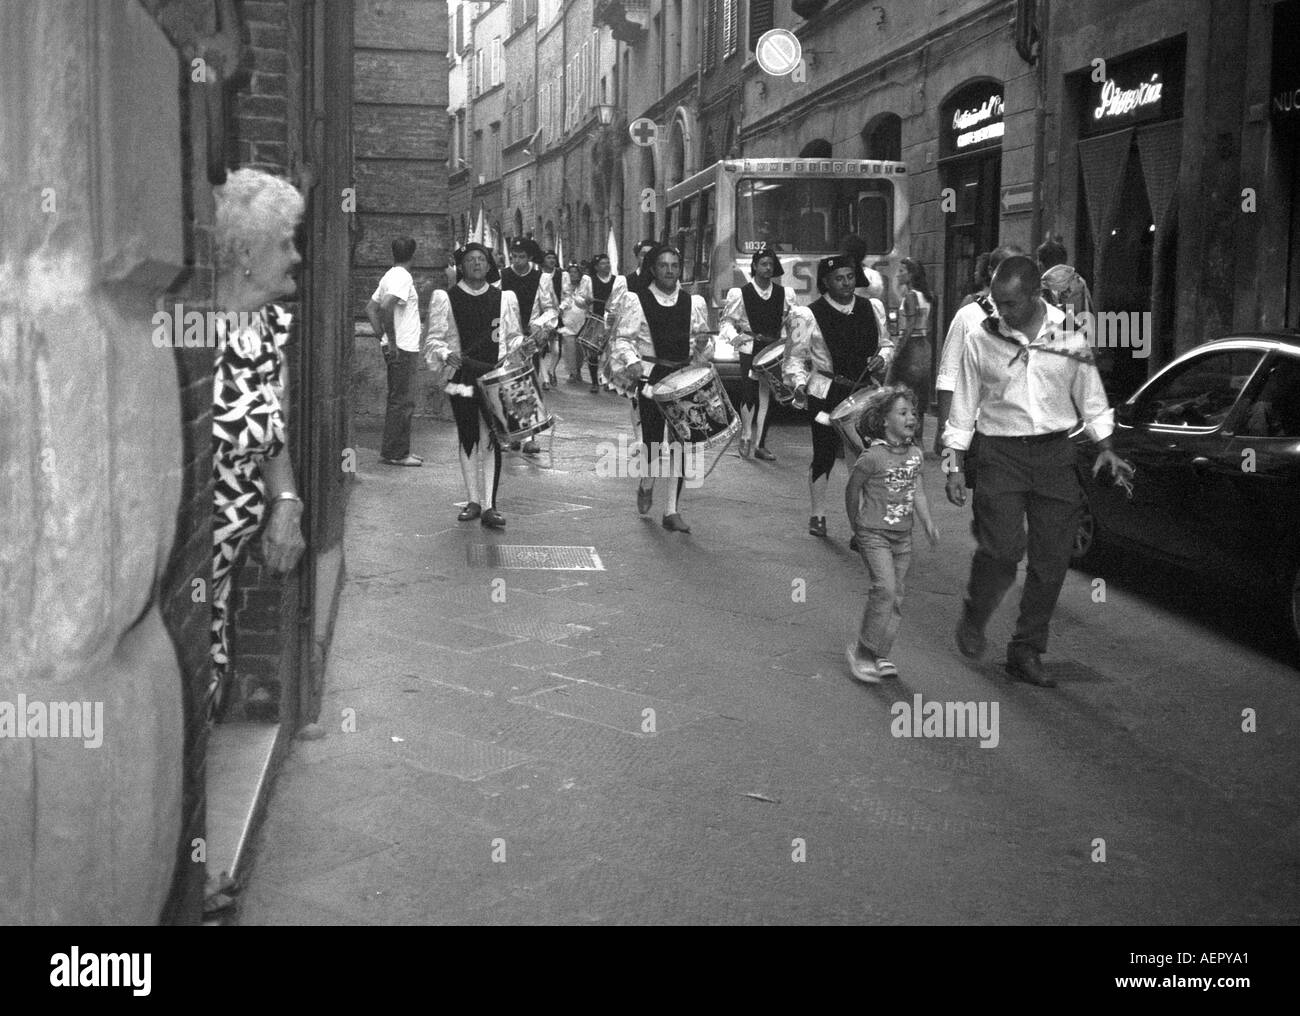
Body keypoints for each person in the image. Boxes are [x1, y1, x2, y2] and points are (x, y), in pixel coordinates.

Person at [941, 256, 1134, 687]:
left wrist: (1106, 447)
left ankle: (1026, 648)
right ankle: (975, 613)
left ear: (1033, 296)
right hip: (999, 454)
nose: (1000, 312)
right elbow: (964, 402)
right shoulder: (980, 336)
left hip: (1055, 455)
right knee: (1002, 550)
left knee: (1052, 558)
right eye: (996, 302)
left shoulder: (1068, 334)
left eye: (1009, 304)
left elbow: (1090, 396)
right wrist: (953, 461)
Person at [210, 168, 307, 720]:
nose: (296, 256)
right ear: (246, 252)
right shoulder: (189, 330)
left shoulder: (269, 327)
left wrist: (286, 501)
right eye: (285, 242)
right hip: (190, 573)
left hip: (225, 571)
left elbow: (274, 435)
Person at [783, 254, 895, 539]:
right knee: (824, 451)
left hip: (865, 393)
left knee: (865, 456)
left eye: (849, 277)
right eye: (838, 278)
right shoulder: (805, 315)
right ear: (825, 282)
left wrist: (882, 358)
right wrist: (798, 385)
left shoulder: (873, 308)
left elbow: (886, 344)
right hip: (824, 390)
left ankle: (862, 525)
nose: (846, 283)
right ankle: (818, 514)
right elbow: (794, 360)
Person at [608, 243, 713, 533]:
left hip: (683, 377)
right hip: (652, 378)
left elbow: (703, 342)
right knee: (652, 442)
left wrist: (705, 346)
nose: (670, 271)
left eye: (675, 266)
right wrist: (631, 361)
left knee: (681, 442)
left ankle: (671, 510)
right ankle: (647, 481)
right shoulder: (636, 300)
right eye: (664, 265)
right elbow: (623, 340)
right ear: (653, 269)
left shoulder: (694, 303)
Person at [424, 242, 526, 529]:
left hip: (495, 376)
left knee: (492, 435)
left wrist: (526, 345)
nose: (477, 263)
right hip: (462, 378)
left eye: (481, 259)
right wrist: (446, 354)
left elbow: (514, 336)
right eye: (470, 260)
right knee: (468, 433)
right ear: (462, 265)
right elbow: (434, 340)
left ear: (489, 264)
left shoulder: (504, 298)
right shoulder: (447, 298)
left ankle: (491, 506)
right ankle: (472, 500)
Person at [844, 385, 938, 683]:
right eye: (903, 412)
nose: (911, 417)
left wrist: (927, 522)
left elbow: (917, 491)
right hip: (873, 533)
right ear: (884, 420)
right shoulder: (872, 457)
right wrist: (855, 524)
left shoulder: (915, 455)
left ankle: (880, 653)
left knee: (896, 595)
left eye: (913, 412)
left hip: (902, 537)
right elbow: (852, 490)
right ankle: (862, 652)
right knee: (884, 589)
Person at [934, 244, 1024, 458]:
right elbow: (949, 375)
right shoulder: (969, 316)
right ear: (993, 272)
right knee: (985, 488)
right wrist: (943, 431)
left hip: (1022, 429)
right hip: (981, 427)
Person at [718, 246, 797, 460]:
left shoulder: (784, 294)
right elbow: (727, 322)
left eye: (771, 264)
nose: (768, 268)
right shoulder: (740, 293)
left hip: (773, 351)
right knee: (749, 392)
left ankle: (760, 444)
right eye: (763, 264)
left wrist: (790, 343)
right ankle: (746, 436)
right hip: (750, 347)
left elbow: (791, 323)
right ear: (754, 266)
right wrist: (735, 338)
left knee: (769, 395)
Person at [366, 236, 424, 467]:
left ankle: (394, 450)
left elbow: (370, 308)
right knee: (403, 401)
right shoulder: (403, 276)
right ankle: (398, 454)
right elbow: (384, 306)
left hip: (397, 345)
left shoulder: (389, 275)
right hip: (403, 347)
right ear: (413, 254)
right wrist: (390, 340)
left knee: (397, 399)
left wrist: (380, 334)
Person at [498, 238, 550, 452]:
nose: (516, 260)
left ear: (529, 257)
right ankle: (512, 434)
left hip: (530, 340)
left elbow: (550, 308)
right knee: (507, 385)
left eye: (521, 256)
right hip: (509, 339)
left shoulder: (541, 278)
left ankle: (530, 437)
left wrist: (539, 326)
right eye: (514, 256)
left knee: (530, 384)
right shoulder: (503, 277)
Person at [887, 257, 934, 448]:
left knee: (899, 391)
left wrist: (897, 350)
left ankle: (908, 437)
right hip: (924, 345)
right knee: (919, 394)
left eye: (901, 271)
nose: (898, 274)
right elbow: (928, 324)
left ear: (911, 274)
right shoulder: (928, 296)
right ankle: (918, 439)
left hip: (911, 347)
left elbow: (909, 326)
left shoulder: (910, 297)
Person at [573, 252, 627, 395]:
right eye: (603, 263)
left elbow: (623, 298)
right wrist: (585, 301)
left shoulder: (618, 280)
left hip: (613, 320)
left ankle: (610, 381)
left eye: (608, 262)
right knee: (592, 352)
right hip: (595, 319)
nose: (607, 265)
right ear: (596, 267)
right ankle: (595, 382)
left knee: (613, 352)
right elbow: (578, 297)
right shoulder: (589, 280)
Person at [558, 261, 590, 385]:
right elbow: (563, 299)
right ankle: (572, 372)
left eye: (575, 272)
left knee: (579, 348)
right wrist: (561, 308)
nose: (573, 274)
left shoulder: (585, 284)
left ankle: (579, 369)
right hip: (568, 320)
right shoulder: (565, 286)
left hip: (582, 320)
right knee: (569, 347)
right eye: (570, 272)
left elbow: (588, 300)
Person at [540, 249, 564, 388]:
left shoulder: (561, 274)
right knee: (541, 349)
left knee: (556, 349)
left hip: (557, 314)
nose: (551, 260)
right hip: (542, 316)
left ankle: (551, 370)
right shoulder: (538, 275)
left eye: (553, 257)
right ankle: (545, 379)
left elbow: (565, 292)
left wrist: (562, 307)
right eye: (548, 257)